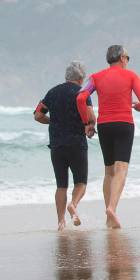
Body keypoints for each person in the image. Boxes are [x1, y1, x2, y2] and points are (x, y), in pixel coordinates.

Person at [76, 45, 140, 229]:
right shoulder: (131, 75)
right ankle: (111, 208)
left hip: (104, 125)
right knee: (121, 170)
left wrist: (87, 123)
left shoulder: (95, 77)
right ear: (123, 58)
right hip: (124, 124)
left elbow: (80, 98)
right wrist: (139, 107)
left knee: (108, 171)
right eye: (127, 57)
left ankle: (110, 217)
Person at [34, 61, 96, 230]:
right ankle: (73, 205)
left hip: (56, 145)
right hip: (76, 143)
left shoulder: (52, 92)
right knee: (81, 183)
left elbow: (38, 115)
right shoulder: (82, 92)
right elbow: (90, 117)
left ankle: (61, 222)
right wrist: (91, 126)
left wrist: (52, 121)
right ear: (81, 78)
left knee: (61, 185)